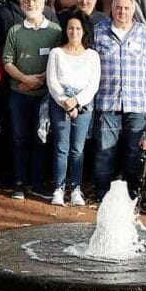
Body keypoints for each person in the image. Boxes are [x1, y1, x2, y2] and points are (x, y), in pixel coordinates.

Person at [92, 0, 146, 200]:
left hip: (136, 103)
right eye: (118, 7)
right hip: (107, 101)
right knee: (104, 151)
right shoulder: (98, 32)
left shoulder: (144, 33)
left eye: (127, 8)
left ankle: (131, 196)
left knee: (132, 152)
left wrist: (134, 84)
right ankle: (102, 195)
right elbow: (91, 62)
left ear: (133, 10)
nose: (122, 12)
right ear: (112, 9)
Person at [2, 0, 60, 199]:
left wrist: (40, 80)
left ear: (43, 3)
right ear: (21, 5)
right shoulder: (15, 31)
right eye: (26, 1)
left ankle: (37, 183)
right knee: (19, 139)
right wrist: (25, 80)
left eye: (35, 0)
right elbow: (7, 61)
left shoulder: (55, 31)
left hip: (45, 96)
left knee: (40, 139)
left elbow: (60, 59)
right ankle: (19, 183)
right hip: (19, 93)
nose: (31, 4)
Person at [46, 14, 99, 206]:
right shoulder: (56, 53)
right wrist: (65, 102)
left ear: (84, 31)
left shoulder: (92, 56)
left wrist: (77, 101)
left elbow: (93, 84)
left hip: (84, 106)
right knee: (62, 148)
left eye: (77, 28)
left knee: (78, 149)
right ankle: (59, 188)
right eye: (70, 28)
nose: (74, 32)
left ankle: (76, 189)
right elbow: (52, 81)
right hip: (60, 105)